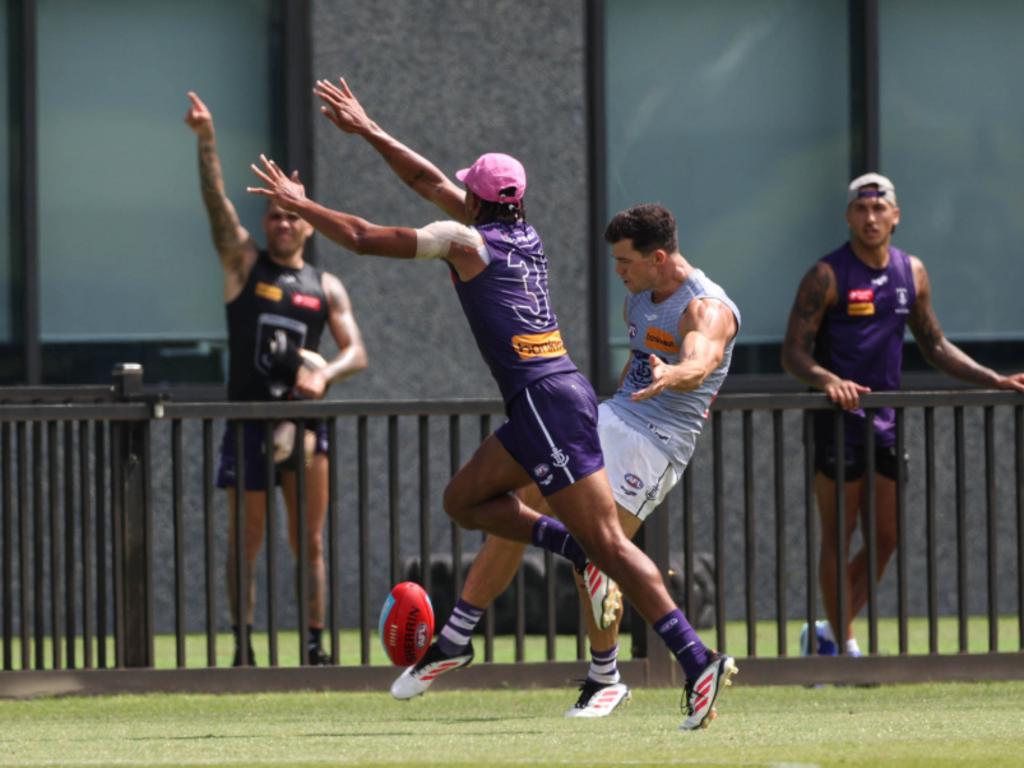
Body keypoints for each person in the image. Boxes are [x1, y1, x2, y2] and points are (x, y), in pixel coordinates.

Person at [245, 77, 737, 730]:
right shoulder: (518, 234)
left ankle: (695, 659)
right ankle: (565, 555)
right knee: (465, 501)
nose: (453, 193)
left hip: (548, 402)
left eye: (464, 190)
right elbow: (425, 179)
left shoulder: (467, 240)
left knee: (612, 547)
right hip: (546, 400)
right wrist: (366, 129)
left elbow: (364, 236)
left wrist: (301, 206)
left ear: (476, 201)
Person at [379, 203, 740, 718]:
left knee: (600, 550)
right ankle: (457, 636)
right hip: (612, 418)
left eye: (625, 262)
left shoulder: (706, 308)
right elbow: (635, 366)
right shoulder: (639, 297)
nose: (618, 271)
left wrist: (675, 375)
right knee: (521, 502)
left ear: (658, 257)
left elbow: (701, 360)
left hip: (656, 442)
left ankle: (606, 676)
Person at [781, 172, 1024, 657]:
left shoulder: (911, 272)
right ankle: (844, 646)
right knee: (839, 534)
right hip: (837, 420)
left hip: (886, 421)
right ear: (849, 216)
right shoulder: (826, 275)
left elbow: (934, 343)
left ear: (895, 215)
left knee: (886, 539)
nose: (871, 218)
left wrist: (992, 378)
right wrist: (829, 381)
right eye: (861, 209)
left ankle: (825, 634)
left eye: (880, 208)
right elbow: (793, 353)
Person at [185, 91, 368, 667]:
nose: (284, 223)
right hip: (249, 422)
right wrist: (207, 138)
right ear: (265, 222)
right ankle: (243, 644)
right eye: (276, 215)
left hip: (305, 428)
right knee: (246, 540)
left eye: (294, 214)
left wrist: (324, 373)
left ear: (308, 223)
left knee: (308, 540)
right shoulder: (244, 263)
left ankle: (314, 644)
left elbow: (357, 351)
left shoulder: (325, 284)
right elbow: (216, 203)